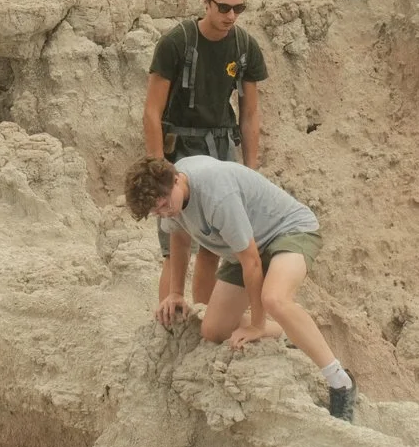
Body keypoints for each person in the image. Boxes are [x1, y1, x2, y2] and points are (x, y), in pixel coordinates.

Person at [126, 155, 357, 423]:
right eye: (157, 212)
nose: (165, 213)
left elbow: (252, 262)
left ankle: (340, 381)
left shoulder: (216, 194)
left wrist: (257, 324)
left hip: (288, 231)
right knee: (213, 330)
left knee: (274, 299)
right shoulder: (168, 200)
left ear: (176, 180)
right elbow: (179, 240)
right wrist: (175, 292)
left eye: (165, 205)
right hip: (245, 247)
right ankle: (289, 331)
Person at [142, 0, 265, 310]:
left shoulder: (244, 47)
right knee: (174, 242)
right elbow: (152, 111)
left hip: (220, 150)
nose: (231, 16)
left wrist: (250, 168)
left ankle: (203, 319)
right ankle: (169, 319)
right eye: (223, 7)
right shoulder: (176, 43)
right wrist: (158, 168)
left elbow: (250, 113)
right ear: (206, 2)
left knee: (213, 245)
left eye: (238, 9)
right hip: (178, 149)